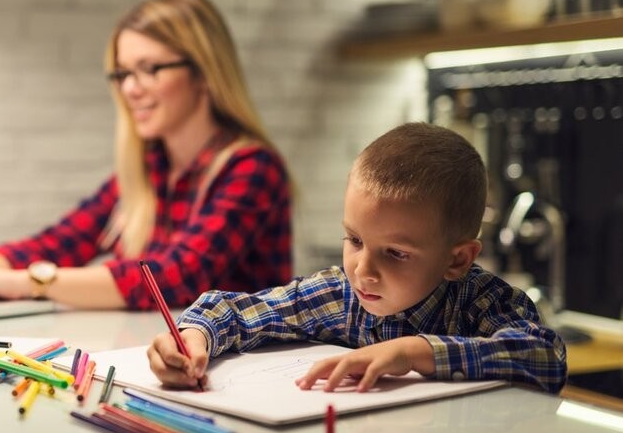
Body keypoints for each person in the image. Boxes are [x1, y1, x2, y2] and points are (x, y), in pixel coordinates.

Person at [0, 0, 292, 310]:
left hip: (243, 372)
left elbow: (171, 278)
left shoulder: (253, 168)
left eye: (150, 69)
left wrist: (27, 282)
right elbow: (60, 242)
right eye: (122, 73)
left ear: (204, 73)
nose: (130, 89)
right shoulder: (149, 169)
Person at [148, 122, 568, 394]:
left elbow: (546, 355)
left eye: (396, 253)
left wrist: (412, 352)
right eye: (354, 239)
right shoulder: (341, 295)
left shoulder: (483, 302)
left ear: (457, 260)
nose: (363, 270)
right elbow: (237, 310)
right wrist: (193, 338)